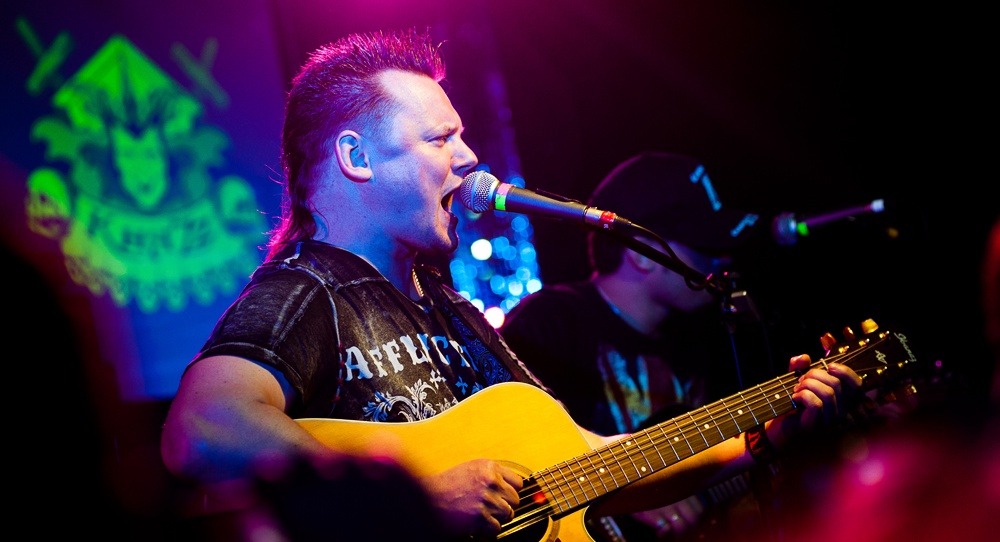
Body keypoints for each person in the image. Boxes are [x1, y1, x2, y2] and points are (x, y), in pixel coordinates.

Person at [159, 28, 862, 541]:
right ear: (356, 156)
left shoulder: (445, 305)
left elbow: (581, 460)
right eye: (440, 139)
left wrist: (761, 434)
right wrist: (418, 495)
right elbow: (202, 427)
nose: (469, 157)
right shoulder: (310, 287)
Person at [500, 152, 782, 541]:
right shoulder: (551, 321)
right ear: (640, 255)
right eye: (702, 247)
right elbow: (510, 454)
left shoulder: (698, 332)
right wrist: (625, 497)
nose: (721, 259)